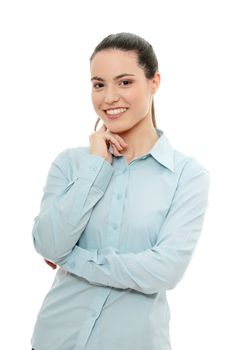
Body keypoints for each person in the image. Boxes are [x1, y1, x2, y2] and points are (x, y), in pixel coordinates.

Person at [30, 32, 210, 350]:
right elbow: (48, 243)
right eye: (99, 84)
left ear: (154, 82)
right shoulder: (71, 163)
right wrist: (95, 167)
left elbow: (165, 270)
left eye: (124, 82)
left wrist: (72, 259)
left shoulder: (187, 175)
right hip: (54, 339)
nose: (109, 97)